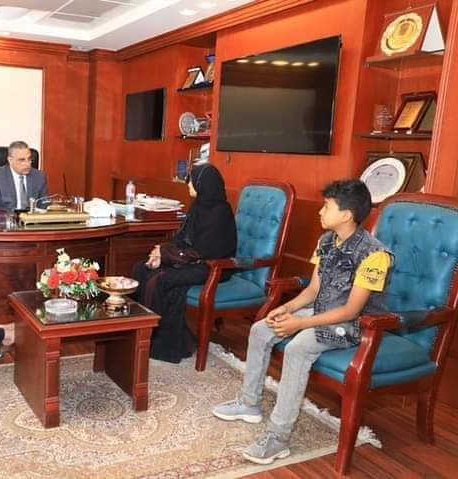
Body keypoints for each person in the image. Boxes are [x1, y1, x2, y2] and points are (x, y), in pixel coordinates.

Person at [211, 179, 393, 465]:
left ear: (346, 214)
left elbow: (351, 311)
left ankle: (279, 437)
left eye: (326, 206)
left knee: (298, 347)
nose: (320, 211)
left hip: (355, 324)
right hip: (322, 311)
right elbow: (313, 290)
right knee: (261, 329)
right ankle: (249, 403)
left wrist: (299, 324)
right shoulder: (326, 241)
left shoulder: (375, 255)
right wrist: (286, 309)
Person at [132, 164, 237, 363]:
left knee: (161, 279)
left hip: (213, 266)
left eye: (192, 180)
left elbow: (204, 252)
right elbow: (182, 239)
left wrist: (165, 254)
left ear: (202, 183)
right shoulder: (199, 205)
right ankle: (139, 335)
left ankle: (159, 343)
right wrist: (161, 251)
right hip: (191, 260)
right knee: (141, 269)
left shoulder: (219, 213)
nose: (188, 184)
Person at [0, 140, 48, 211]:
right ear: (10, 160)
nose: (27, 164)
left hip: (32, 217)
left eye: (29, 159)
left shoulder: (39, 176)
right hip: (7, 217)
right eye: (22, 160)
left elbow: (44, 207)